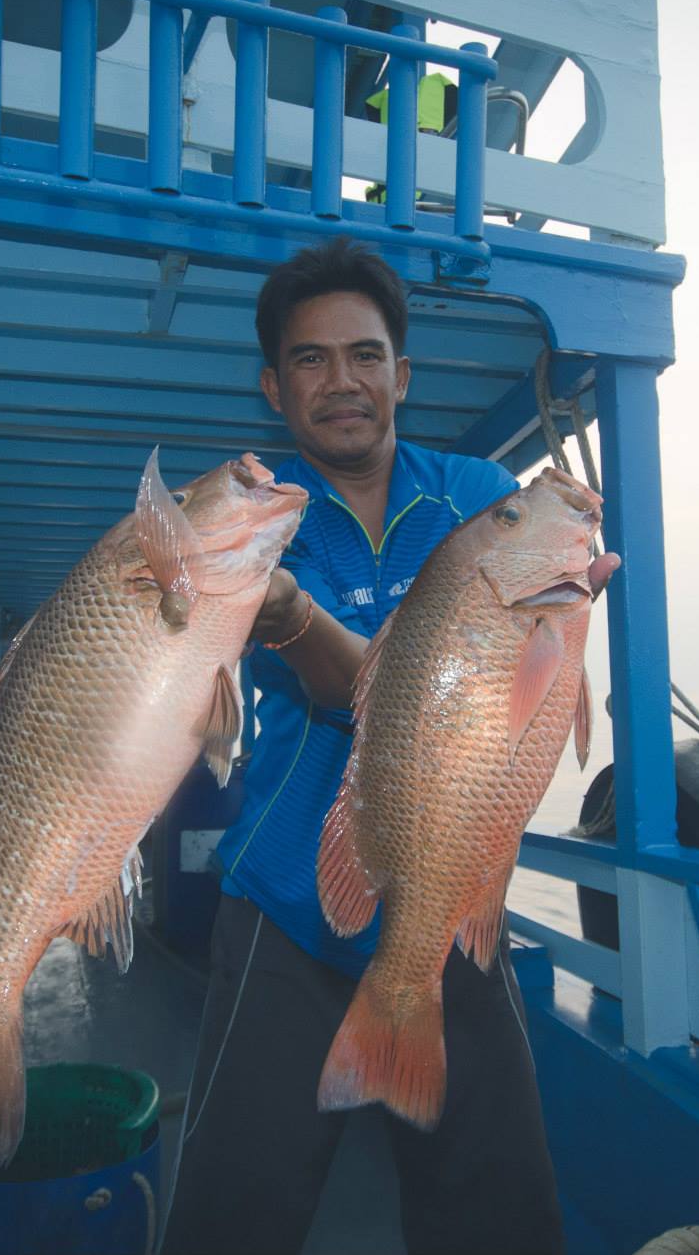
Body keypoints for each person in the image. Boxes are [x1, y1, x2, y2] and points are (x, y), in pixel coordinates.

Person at [160, 238, 578, 1255]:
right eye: (309, 359)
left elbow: (526, 682)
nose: (341, 380)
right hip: (286, 907)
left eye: (364, 353)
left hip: (447, 899)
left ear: (401, 371)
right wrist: (290, 617)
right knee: (232, 1210)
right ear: (273, 386)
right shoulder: (257, 523)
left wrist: (563, 593)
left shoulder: (479, 498)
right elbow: (361, 694)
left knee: (499, 1212)